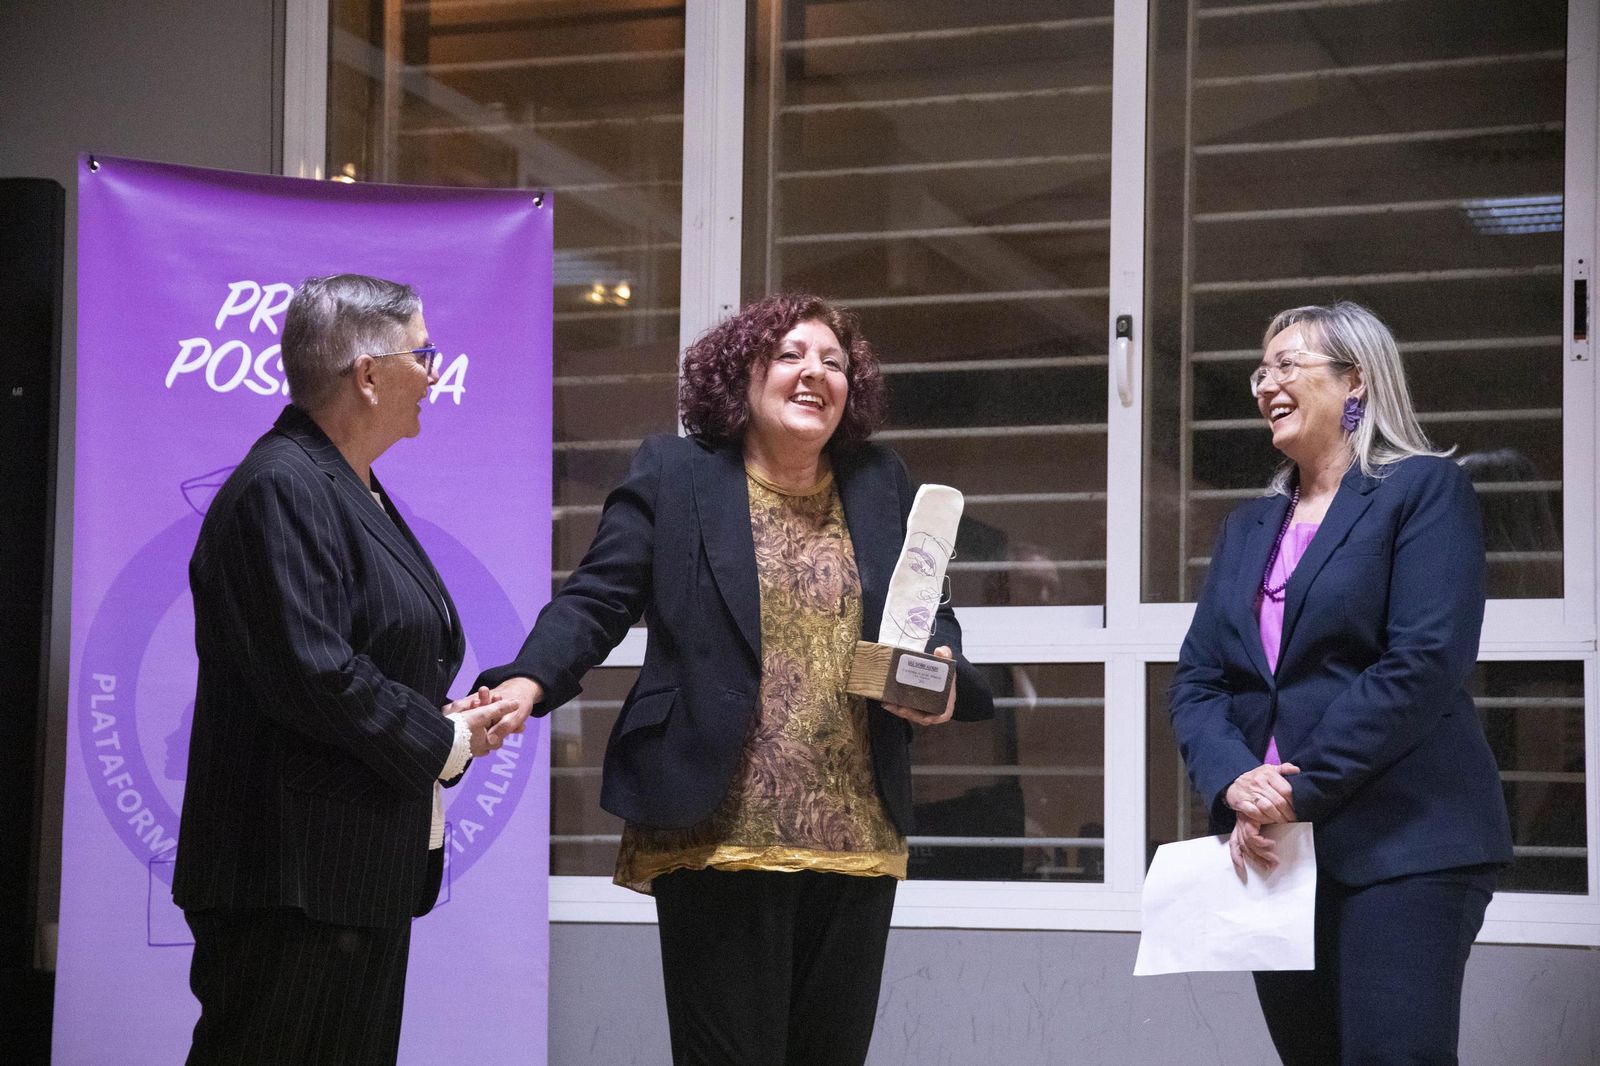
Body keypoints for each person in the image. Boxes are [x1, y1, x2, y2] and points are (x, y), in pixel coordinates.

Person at [469, 293, 994, 1065]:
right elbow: (598, 596)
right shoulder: (677, 472)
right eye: (790, 356)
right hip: (716, 827)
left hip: (856, 833)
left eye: (835, 363)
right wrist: (527, 682)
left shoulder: (882, 481)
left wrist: (942, 668)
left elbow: (927, 606)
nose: (815, 372)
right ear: (740, 377)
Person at [173, 274, 511, 1065]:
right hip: (291, 885)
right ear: (367, 374)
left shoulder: (345, 484)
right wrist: (440, 738)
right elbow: (315, 671)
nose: (434, 372)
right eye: (422, 353)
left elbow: (358, 659)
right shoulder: (281, 486)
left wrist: (450, 719)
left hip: (350, 878)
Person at [1170, 301, 1513, 1066]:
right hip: (1276, 853)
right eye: (1262, 370)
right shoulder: (1248, 528)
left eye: (1288, 363)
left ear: (1355, 379)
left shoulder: (1423, 491)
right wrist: (1235, 782)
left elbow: (1421, 662)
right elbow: (1198, 680)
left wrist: (1297, 786)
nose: (1267, 384)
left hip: (1406, 841)